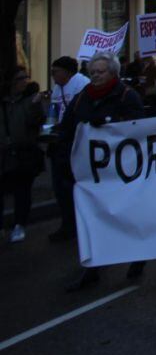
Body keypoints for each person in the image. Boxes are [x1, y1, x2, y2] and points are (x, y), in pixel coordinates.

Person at [57, 52, 145, 290]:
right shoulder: (80, 98)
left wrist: (109, 120)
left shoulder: (127, 96)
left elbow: (139, 127)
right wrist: (64, 159)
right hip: (90, 174)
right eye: (92, 72)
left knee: (124, 215)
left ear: (113, 73)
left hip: (120, 171)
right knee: (92, 219)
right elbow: (66, 130)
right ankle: (92, 267)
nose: (95, 76)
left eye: (100, 71)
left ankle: (138, 254)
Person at [45, 56, 90, 242]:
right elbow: (55, 112)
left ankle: (81, 226)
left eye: (55, 71)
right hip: (60, 142)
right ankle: (67, 224)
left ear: (67, 72)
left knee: (74, 187)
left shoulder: (82, 84)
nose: (52, 75)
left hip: (77, 143)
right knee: (61, 188)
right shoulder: (58, 88)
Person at [1, 68, 45, 243]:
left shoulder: (29, 101)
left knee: (22, 191)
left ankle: (19, 224)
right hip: (4, 153)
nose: (25, 81)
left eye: (26, 78)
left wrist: (35, 105)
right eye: (21, 78)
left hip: (23, 153)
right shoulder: (4, 102)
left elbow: (36, 121)